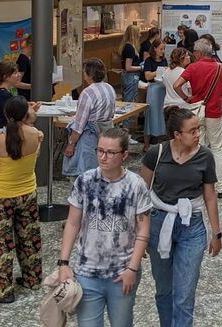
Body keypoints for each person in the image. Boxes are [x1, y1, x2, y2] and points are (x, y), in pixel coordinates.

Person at [58, 127, 152, 327]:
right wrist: (63, 263)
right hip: (87, 271)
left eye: (110, 152)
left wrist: (132, 269)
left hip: (122, 271)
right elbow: (72, 223)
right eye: (100, 150)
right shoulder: (85, 181)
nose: (103, 157)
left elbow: (143, 230)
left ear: (124, 155)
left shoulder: (136, 185)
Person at [140, 106, 222, 327]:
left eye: (199, 129)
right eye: (193, 131)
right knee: (164, 290)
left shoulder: (205, 156)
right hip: (159, 223)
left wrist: (216, 233)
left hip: (192, 227)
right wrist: (140, 235)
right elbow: (140, 194)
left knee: (184, 294)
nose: (198, 135)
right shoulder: (156, 153)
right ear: (177, 134)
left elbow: (210, 196)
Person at [0, 96, 43, 304]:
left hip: (3, 196)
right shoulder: (36, 135)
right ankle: (32, 279)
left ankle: (4, 291)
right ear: (26, 115)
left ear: (6, 115)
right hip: (28, 193)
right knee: (29, 238)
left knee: (3, 244)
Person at [175, 39, 222, 199]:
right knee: (217, 148)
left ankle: (195, 184)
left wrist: (187, 98)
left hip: (196, 112)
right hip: (214, 112)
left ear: (199, 53)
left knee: (196, 147)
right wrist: (221, 97)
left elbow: (176, 85)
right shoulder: (221, 67)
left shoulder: (192, 67)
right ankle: (220, 187)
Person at [63, 59, 117, 177]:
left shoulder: (87, 93)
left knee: (87, 174)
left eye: (84, 72)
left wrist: (71, 144)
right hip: (107, 134)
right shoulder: (109, 88)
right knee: (103, 171)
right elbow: (112, 113)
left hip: (90, 137)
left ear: (89, 74)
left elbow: (79, 124)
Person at [143, 37, 169, 149]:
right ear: (155, 49)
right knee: (151, 113)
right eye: (161, 49)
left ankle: (159, 141)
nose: (162, 51)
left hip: (162, 89)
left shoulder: (164, 60)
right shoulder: (149, 61)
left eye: (164, 49)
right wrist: (158, 72)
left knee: (160, 114)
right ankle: (146, 143)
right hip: (153, 89)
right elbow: (147, 76)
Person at [0, 61, 20, 130]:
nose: (19, 75)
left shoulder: (3, 92)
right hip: (5, 130)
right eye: (15, 73)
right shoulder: (3, 95)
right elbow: (10, 114)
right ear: (5, 77)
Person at [120, 25, 143, 107]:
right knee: (129, 103)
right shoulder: (129, 48)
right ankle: (127, 120)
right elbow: (128, 67)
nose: (140, 35)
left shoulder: (128, 46)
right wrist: (141, 67)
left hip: (129, 76)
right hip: (130, 77)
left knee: (129, 100)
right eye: (139, 33)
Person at [15, 35, 33, 100]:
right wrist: (33, 86)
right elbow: (17, 83)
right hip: (24, 96)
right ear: (30, 46)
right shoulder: (23, 60)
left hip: (28, 95)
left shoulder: (27, 58)